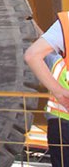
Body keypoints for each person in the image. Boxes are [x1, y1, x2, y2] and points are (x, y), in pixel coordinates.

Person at [25, 10, 69, 166]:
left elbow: (37, 50)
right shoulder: (56, 60)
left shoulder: (56, 60)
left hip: (60, 123)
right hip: (60, 123)